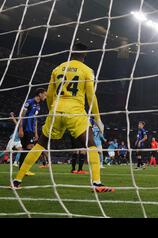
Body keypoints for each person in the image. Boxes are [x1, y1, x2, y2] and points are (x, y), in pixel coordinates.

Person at [11, 43, 114, 192]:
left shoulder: (57, 69)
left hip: (56, 110)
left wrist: (54, 109)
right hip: (75, 111)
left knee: (40, 144)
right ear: (84, 55)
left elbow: (50, 95)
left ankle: (17, 180)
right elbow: (91, 96)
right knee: (91, 144)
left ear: (71, 53)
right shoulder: (87, 70)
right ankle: (96, 183)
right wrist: (97, 118)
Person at [17, 88, 47, 175]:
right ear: (40, 94)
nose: (45, 97)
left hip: (31, 130)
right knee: (28, 148)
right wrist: (21, 128)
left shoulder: (38, 106)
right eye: (44, 95)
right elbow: (21, 115)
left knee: (27, 148)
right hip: (25, 128)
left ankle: (22, 169)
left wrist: (36, 132)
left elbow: (35, 119)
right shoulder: (29, 102)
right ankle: (23, 169)